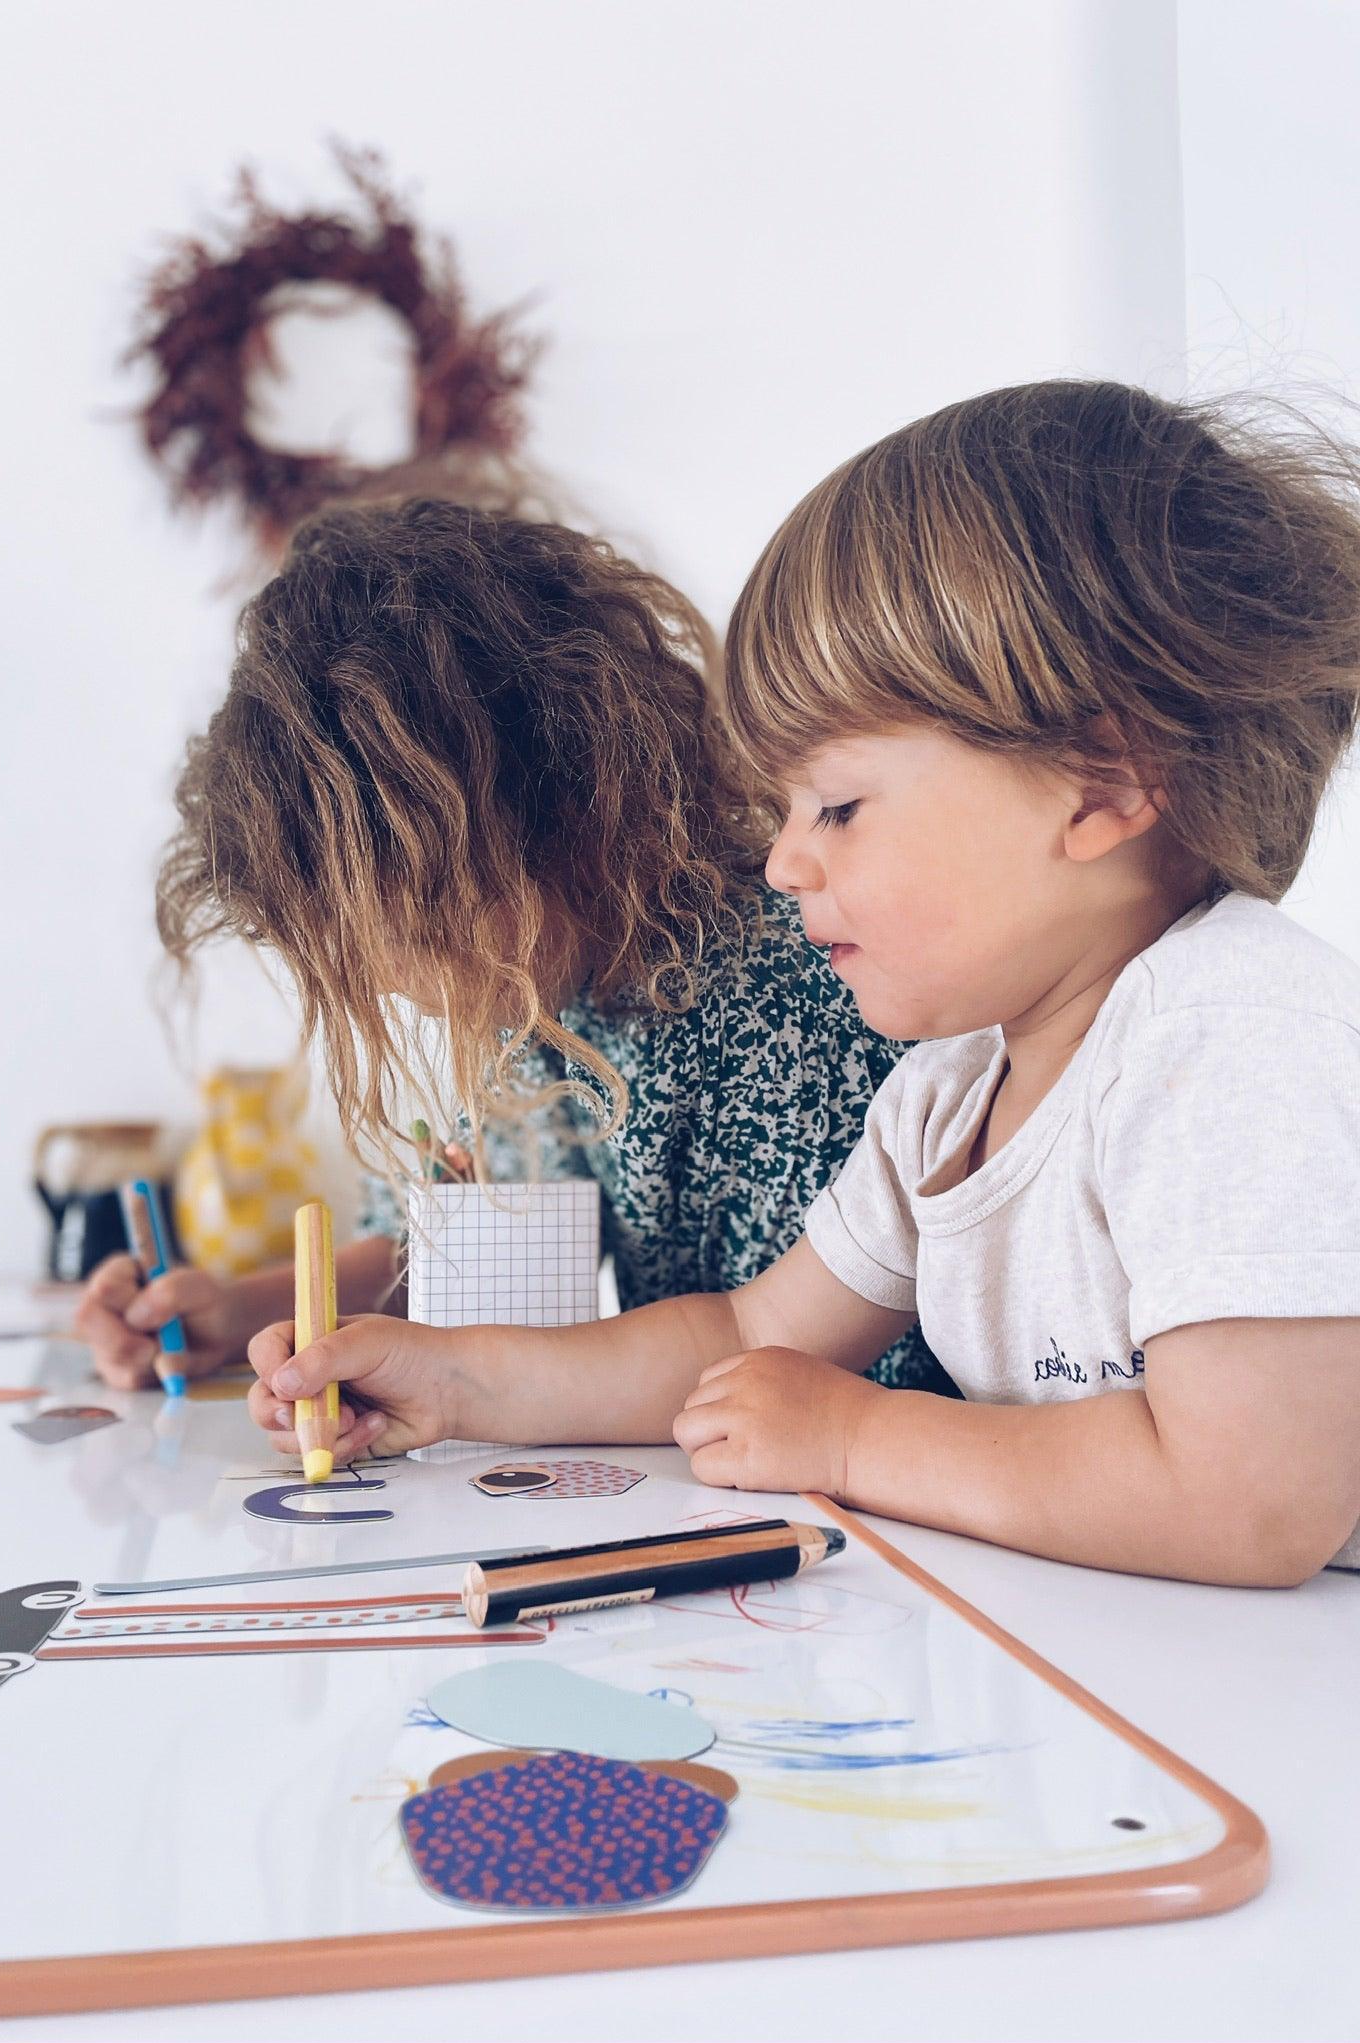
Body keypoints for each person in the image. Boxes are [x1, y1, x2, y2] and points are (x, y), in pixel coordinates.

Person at [249, 382, 1360, 1586]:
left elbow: (1249, 1505)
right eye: (784, 808)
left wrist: (857, 1431)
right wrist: (457, 1379)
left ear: (1103, 780)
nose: (784, 860)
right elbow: (745, 1334)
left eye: (837, 804)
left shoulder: (1233, 1034)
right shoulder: (947, 1093)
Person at [75, 499, 944, 1394]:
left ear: (572, 807)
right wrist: (239, 1311)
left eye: (413, 931)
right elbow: (453, 1241)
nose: (399, 989)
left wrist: (462, 1391)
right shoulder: (536, 991)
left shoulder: (785, 991)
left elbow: (786, 1358)